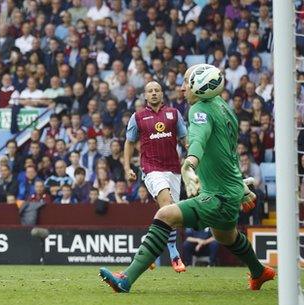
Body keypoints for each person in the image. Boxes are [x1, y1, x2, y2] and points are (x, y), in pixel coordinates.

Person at [100, 65, 275, 293]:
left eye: (186, 82)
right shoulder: (224, 107)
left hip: (218, 196)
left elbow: (199, 140)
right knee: (225, 236)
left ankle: (126, 278)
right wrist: (240, 187)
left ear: (199, 86)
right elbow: (227, 154)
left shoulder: (199, 110)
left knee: (165, 214)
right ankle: (259, 272)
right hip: (228, 191)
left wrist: (190, 163)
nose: (182, 88)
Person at [123, 81, 188, 272]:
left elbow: (185, 139)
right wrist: (127, 167)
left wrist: (191, 150)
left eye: (157, 90)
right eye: (150, 91)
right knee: (167, 204)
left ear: (162, 93)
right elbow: (129, 143)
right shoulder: (138, 117)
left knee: (172, 216)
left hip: (174, 169)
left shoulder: (174, 114)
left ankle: (148, 252)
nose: (153, 93)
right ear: (145, 95)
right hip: (151, 169)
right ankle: (174, 254)